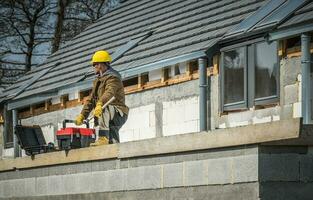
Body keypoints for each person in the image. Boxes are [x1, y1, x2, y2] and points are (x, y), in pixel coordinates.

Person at [74, 50, 129, 145]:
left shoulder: (113, 78)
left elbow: (109, 92)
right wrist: (83, 115)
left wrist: (100, 103)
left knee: (103, 107)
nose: (93, 67)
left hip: (118, 112)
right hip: (109, 115)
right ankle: (114, 151)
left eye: (94, 64)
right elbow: (91, 99)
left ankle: (103, 137)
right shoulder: (98, 80)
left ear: (101, 65)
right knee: (113, 140)